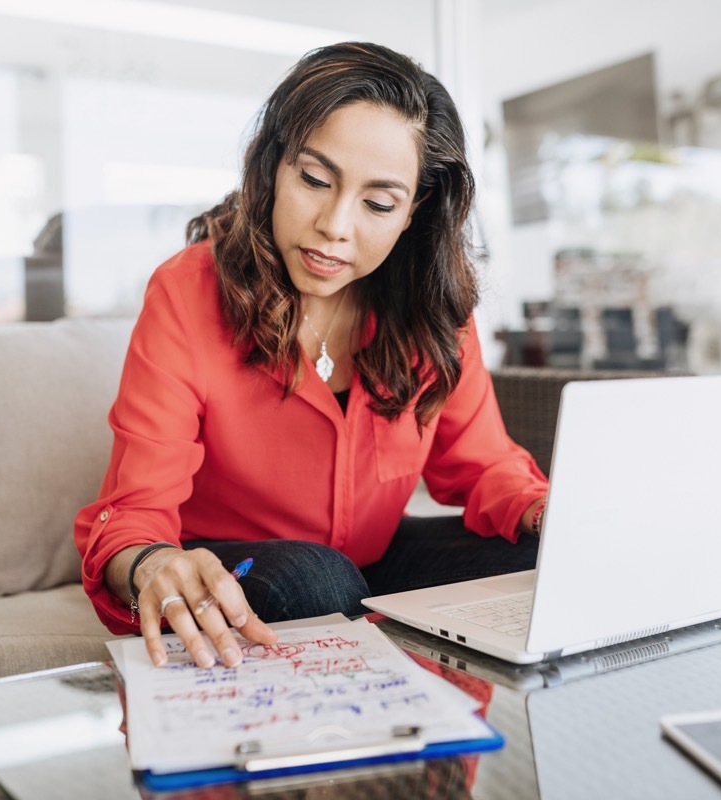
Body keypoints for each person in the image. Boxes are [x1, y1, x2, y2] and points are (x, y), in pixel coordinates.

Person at [74, 42, 548, 670]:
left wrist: (548, 513)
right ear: (273, 165)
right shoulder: (187, 292)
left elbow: (483, 465)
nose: (334, 224)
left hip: (373, 563)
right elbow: (133, 514)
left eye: (378, 203)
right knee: (317, 582)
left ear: (415, 211)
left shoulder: (434, 310)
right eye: (315, 180)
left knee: (543, 559)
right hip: (243, 564)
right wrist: (156, 565)